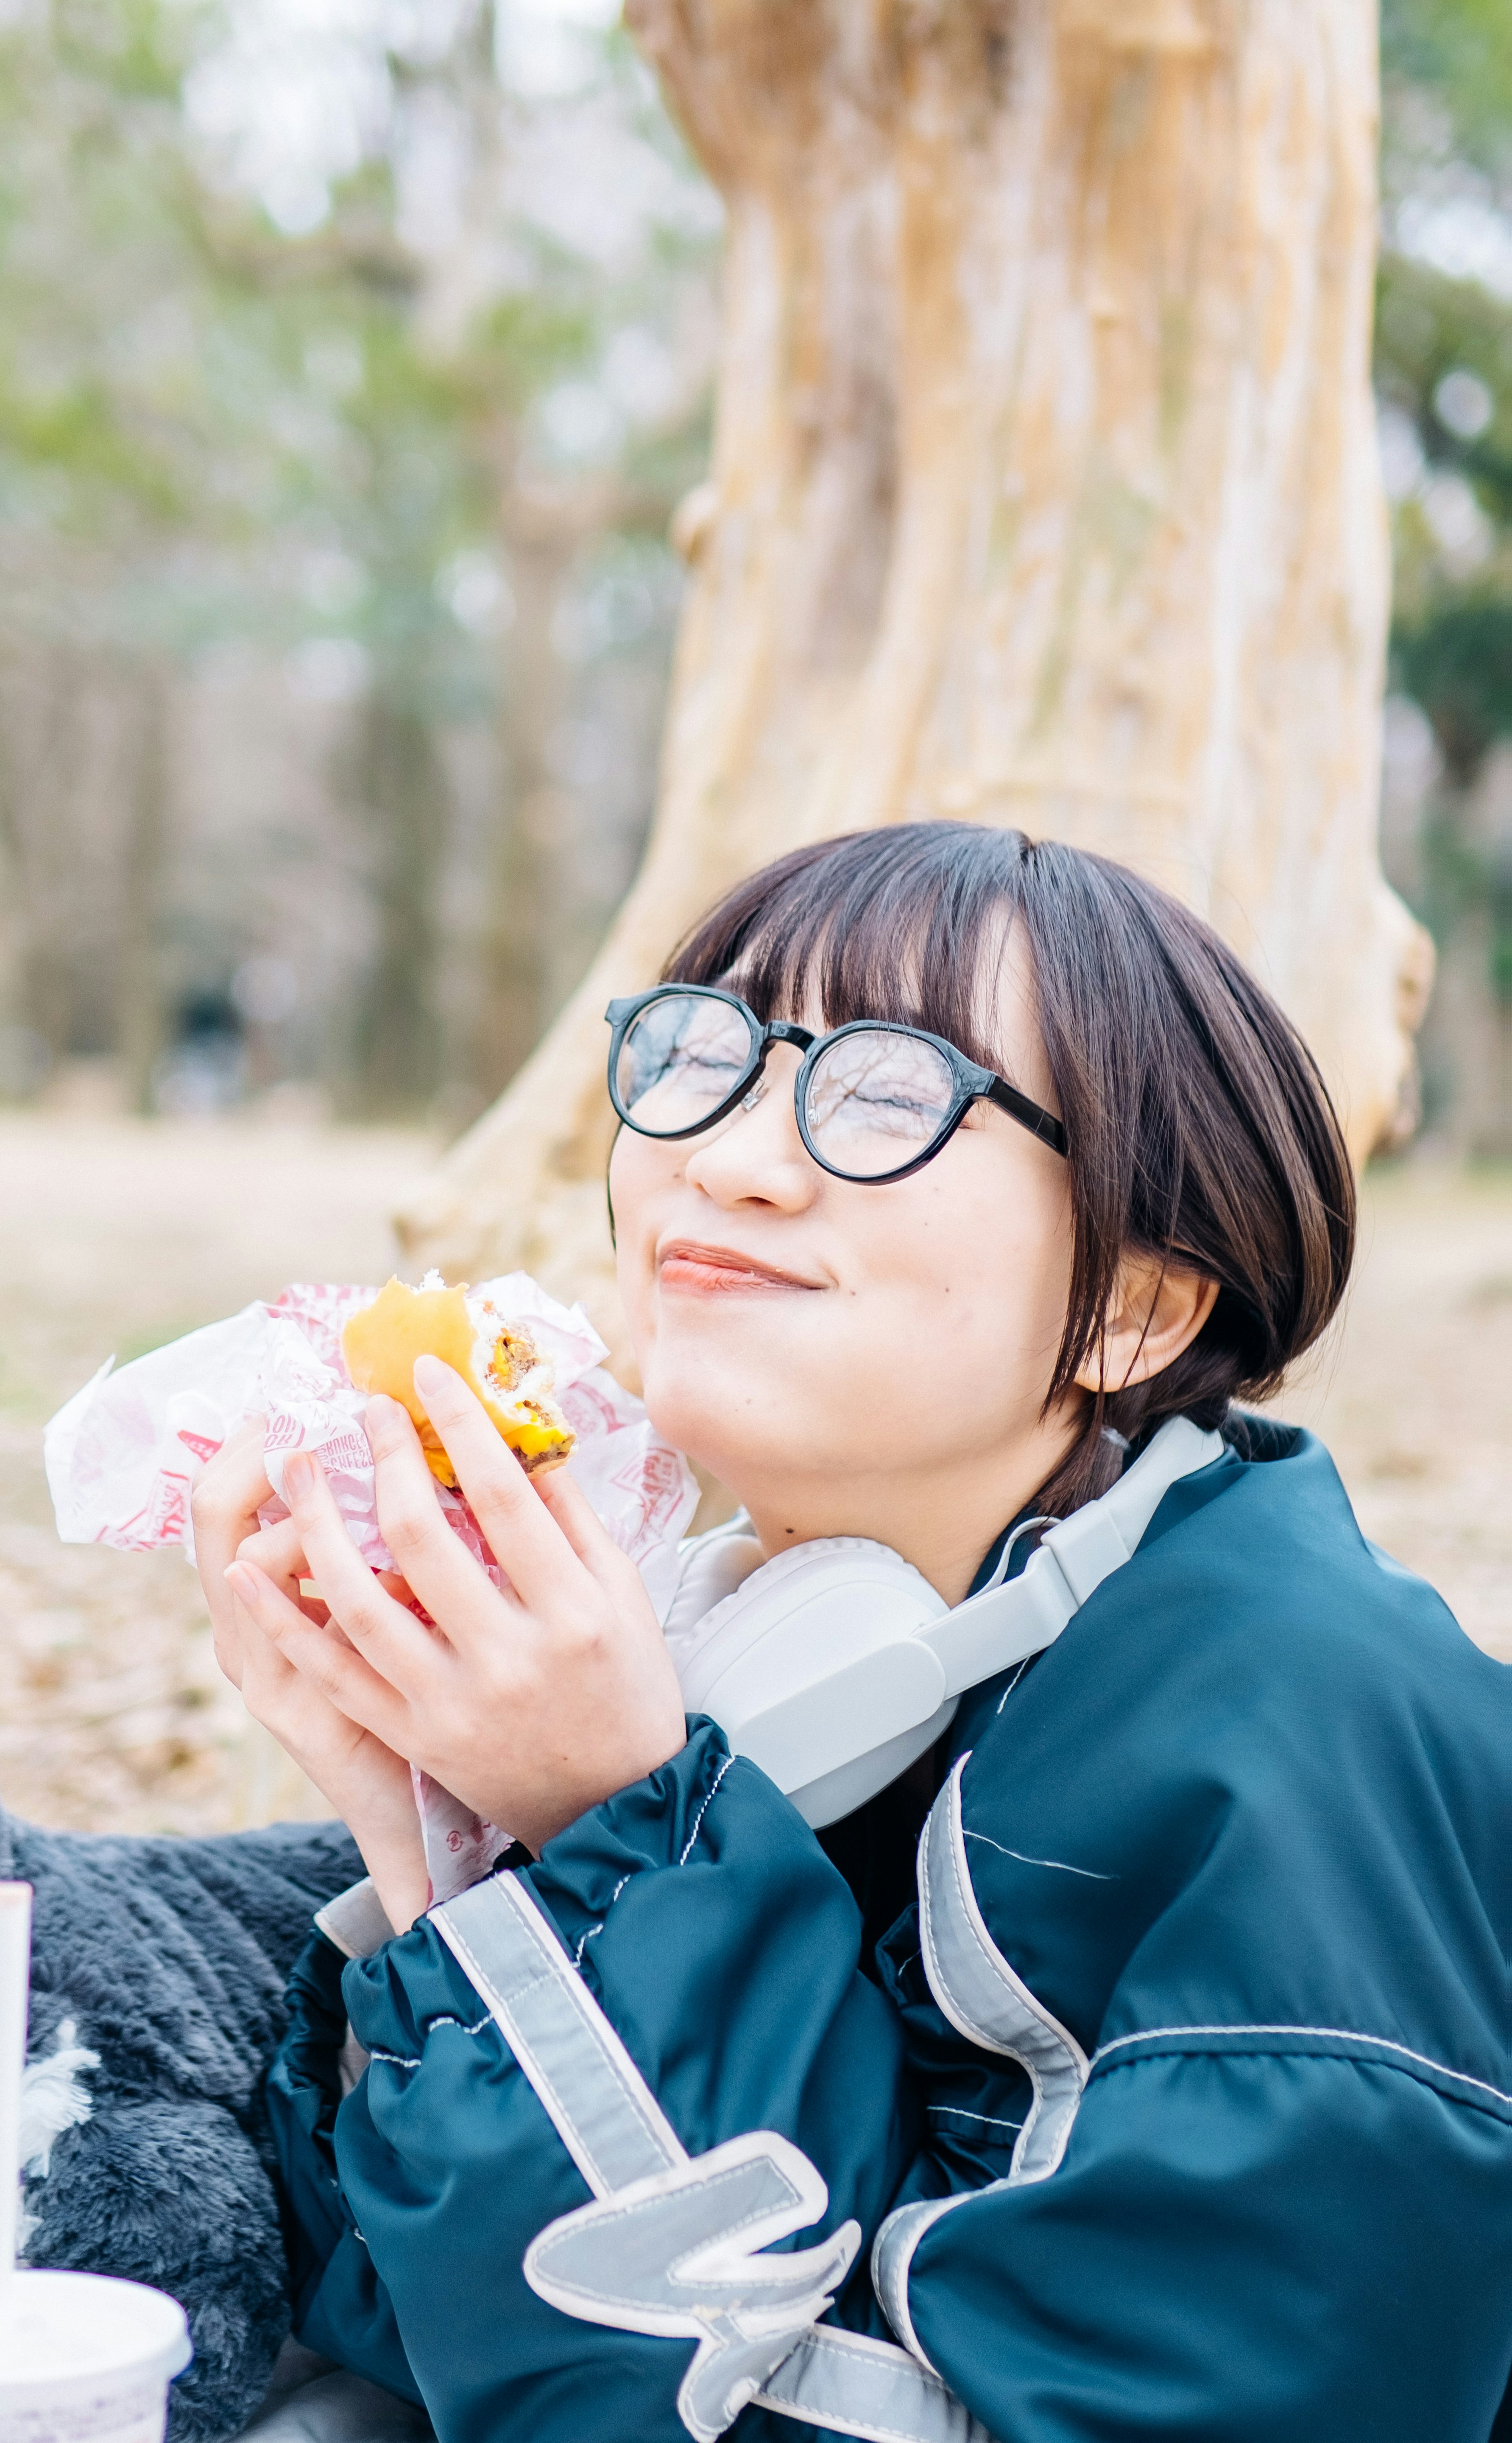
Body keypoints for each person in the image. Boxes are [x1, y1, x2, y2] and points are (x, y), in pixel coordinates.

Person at [193, 822, 1512, 2443]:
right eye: (704, 1052)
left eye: (890, 1094)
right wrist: (459, 1857)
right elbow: (432, 2340)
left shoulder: (1319, 1762)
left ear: (1134, 1312)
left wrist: (621, 1840)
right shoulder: (791, 1661)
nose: (729, 1158)